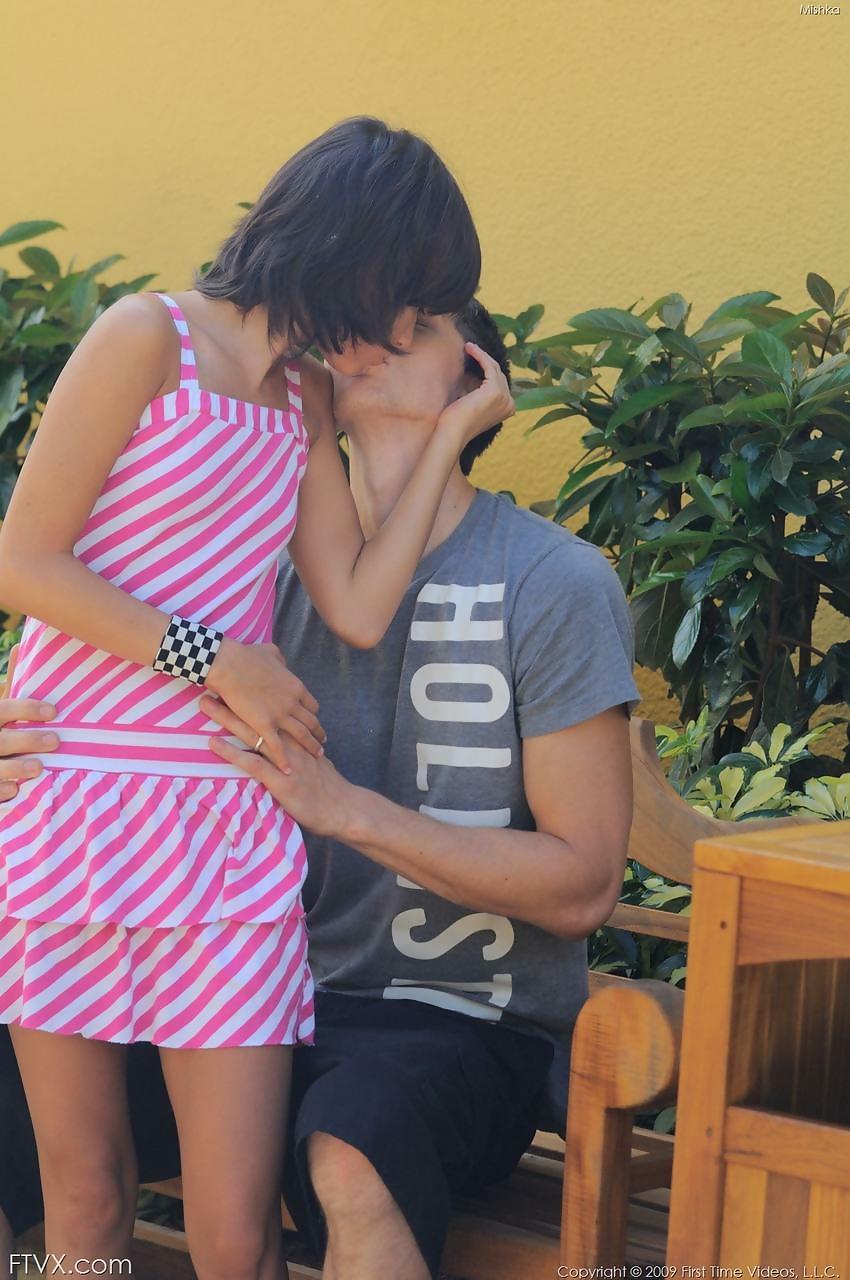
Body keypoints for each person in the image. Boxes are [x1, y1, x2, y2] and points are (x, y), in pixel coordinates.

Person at [0, 299, 640, 1280]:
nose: (369, 340)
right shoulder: (252, 572)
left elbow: (583, 883)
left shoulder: (550, 580)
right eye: (359, 322)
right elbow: (89, 663)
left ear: (475, 377)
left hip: (452, 1015)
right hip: (251, 980)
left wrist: (349, 811)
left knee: (351, 1148)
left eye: (416, 325)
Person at [0, 115, 512, 1280]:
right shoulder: (146, 336)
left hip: (226, 826)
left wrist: (450, 436)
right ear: (354, 249)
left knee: (236, 1233)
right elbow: (23, 559)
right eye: (411, 296)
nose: (405, 329)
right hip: (74, 807)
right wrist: (214, 657)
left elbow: (358, 606)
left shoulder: (302, 397)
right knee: (86, 1197)